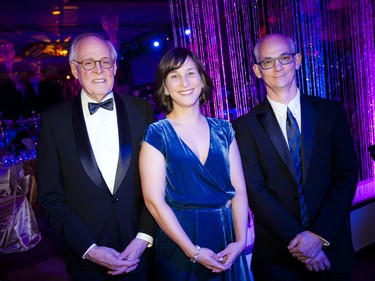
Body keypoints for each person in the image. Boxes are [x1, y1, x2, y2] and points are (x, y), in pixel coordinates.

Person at [233, 33, 358, 281]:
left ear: (298, 60)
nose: (277, 67)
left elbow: (345, 176)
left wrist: (318, 236)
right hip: (278, 259)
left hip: (331, 248)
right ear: (258, 71)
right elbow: (256, 193)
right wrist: (303, 243)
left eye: (284, 58)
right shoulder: (243, 127)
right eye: (268, 62)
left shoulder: (330, 112)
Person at [37, 33, 157, 281]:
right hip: (86, 263)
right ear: (74, 68)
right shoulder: (53, 121)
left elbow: (157, 182)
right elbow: (50, 197)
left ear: (115, 66)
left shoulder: (141, 110)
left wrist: (143, 237)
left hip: (141, 256)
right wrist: (89, 249)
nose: (99, 69)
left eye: (105, 61)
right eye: (88, 62)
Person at [139, 47, 251, 281]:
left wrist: (240, 241)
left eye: (191, 73)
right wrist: (193, 251)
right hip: (180, 241)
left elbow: (238, 189)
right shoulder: (157, 134)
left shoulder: (224, 129)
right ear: (165, 88)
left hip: (225, 237)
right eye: (174, 76)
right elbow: (154, 202)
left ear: (201, 79)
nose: (184, 82)